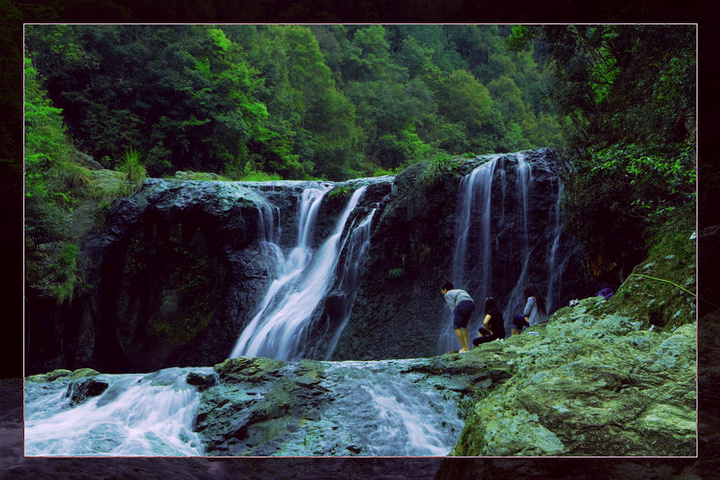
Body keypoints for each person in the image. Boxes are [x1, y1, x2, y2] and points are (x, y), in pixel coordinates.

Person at [441, 281, 474, 353]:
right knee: (464, 326)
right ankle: (467, 348)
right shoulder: (459, 290)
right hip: (471, 304)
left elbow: (453, 307)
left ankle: (463, 347)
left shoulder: (447, 294)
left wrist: (456, 315)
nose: (442, 292)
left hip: (462, 304)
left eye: (442, 290)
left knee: (456, 327)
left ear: (445, 289)